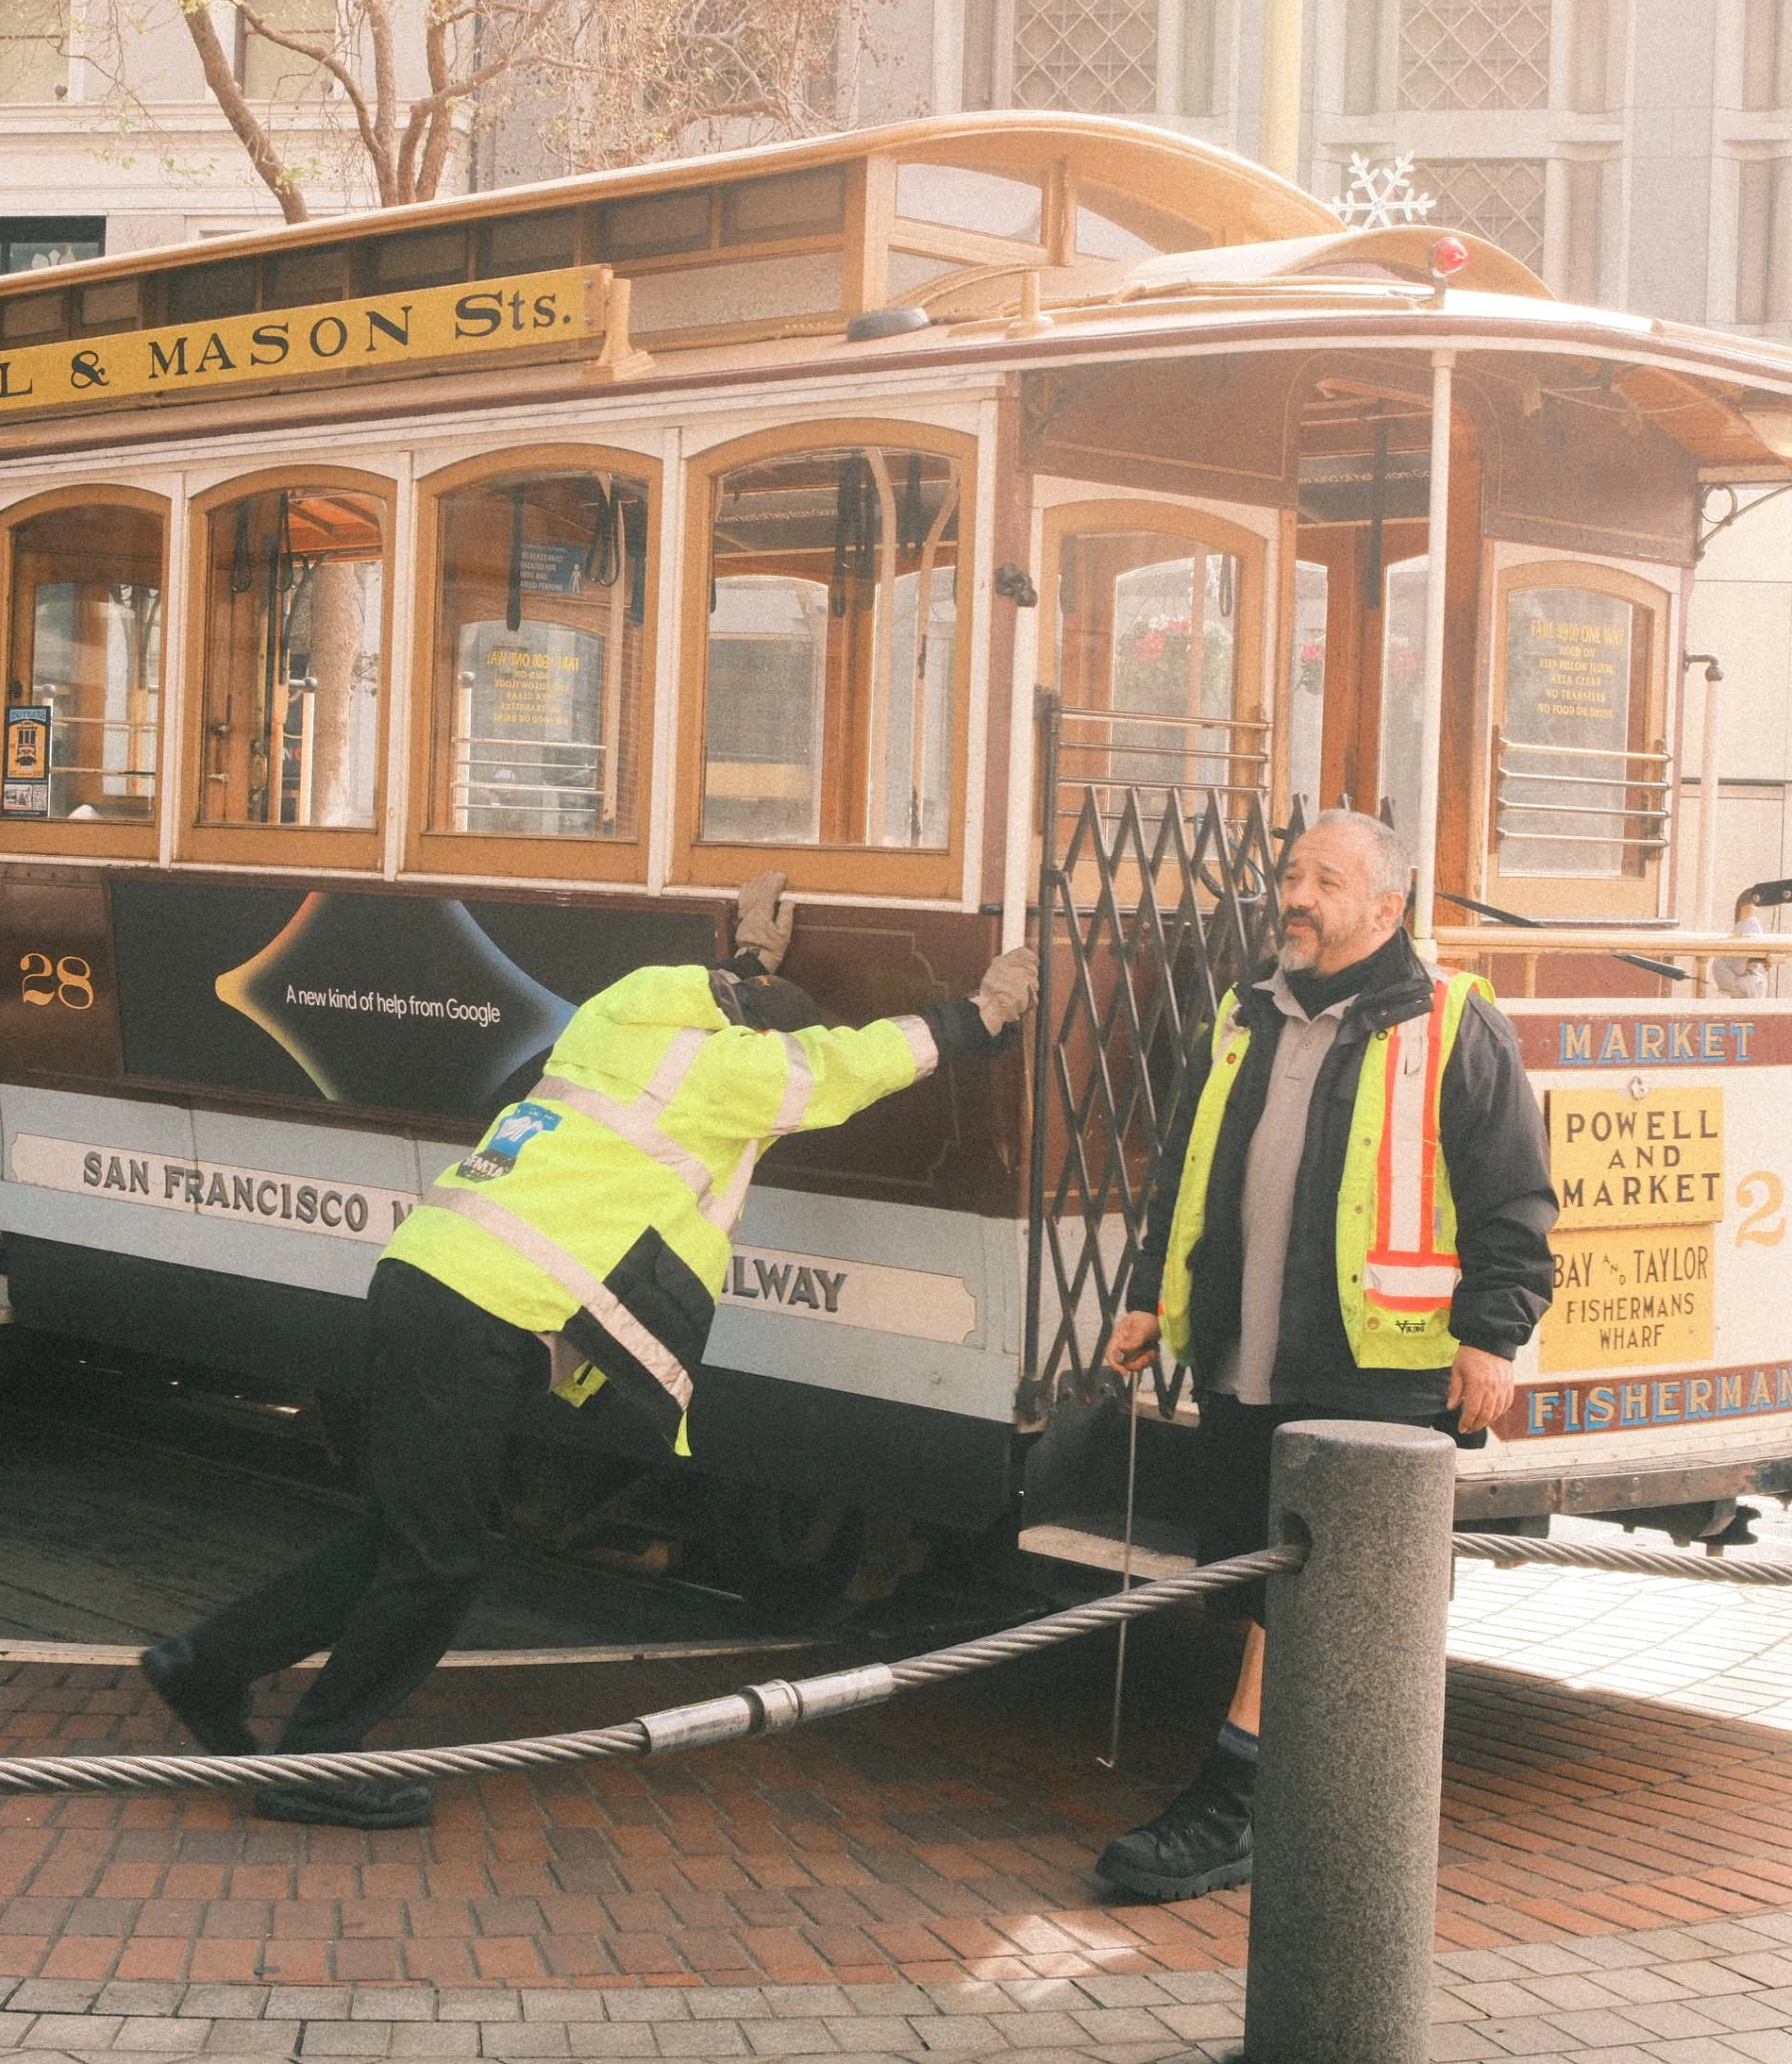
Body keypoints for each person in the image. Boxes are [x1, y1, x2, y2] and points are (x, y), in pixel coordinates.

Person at [135, 873, 1039, 1830]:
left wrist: (749, 960)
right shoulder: (729, 1081)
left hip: (427, 1279)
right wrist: (980, 1014)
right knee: (438, 1564)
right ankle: (313, 1758)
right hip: (488, 1309)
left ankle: (205, 1666)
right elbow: (851, 1064)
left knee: (401, 1536)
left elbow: (725, 1003)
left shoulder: (619, 1019)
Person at [1091, 810, 1554, 1904]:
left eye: (1327, 881)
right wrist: (1155, 1295)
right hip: (1249, 1354)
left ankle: (1239, 1799)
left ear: (1387, 909)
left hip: (1375, 1369)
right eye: (1293, 874)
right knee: (1269, 1574)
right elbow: (1191, 1166)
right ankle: (1323, 1803)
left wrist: (1493, 1334)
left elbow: (1515, 1196)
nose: (1297, 896)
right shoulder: (1250, 1012)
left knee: (1312, 1583)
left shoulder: (1452, 1024)